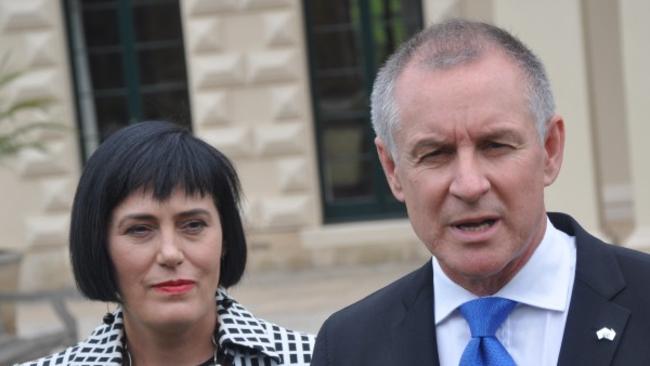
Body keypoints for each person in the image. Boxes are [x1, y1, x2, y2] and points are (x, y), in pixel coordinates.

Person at [312, 19, 650, 366]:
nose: (469, 185)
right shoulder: (347, 347)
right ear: (392, 169)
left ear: (550, 149)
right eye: (435, 154)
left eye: (495, 145)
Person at [20, 121, 315, 366]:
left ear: (226, 238)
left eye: (193, 225)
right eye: (140, 229)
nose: (170, 253)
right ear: (99, 245)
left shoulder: (319, 359)